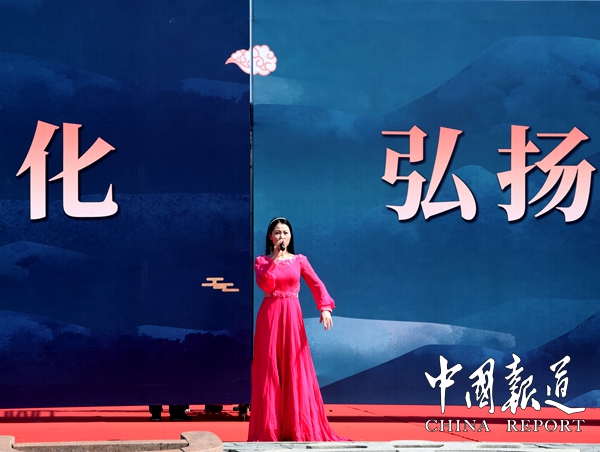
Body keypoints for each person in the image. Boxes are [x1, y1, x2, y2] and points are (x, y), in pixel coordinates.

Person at [248, 217, 347, 442]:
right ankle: (270, 429)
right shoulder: (262, 261)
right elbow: (265, 284)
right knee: (269, 368)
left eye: (285, 232)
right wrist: (275, 259)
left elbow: (316, 283)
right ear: (270, 237)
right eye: (277, 232)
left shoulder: (299, 260)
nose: (281, 236)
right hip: (270, 316)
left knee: (294, 366)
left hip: (292, 316)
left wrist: (325, 308)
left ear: (290, 236)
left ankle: (297, 427)